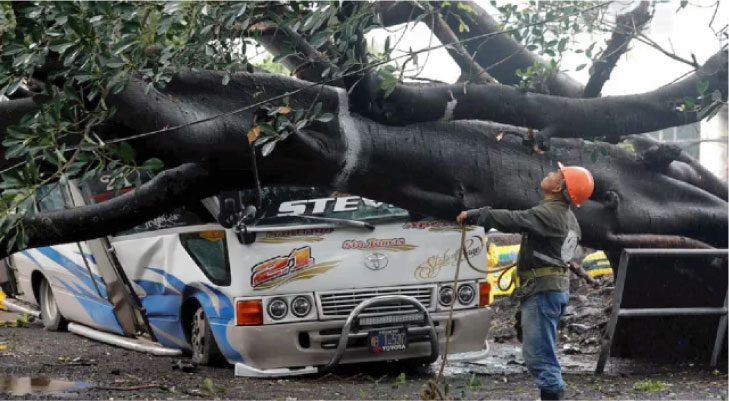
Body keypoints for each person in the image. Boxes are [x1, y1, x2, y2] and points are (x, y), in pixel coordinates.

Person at [457, 162, 594, 401]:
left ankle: (553, 394)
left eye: (556, 174)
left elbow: (516, 219)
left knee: (539, 356)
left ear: (560, 186)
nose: (550, 174)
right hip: (551, 290)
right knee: (541, 351)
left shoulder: (550, 214)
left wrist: (476, 215)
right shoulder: (568, 217)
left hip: (543, 293)